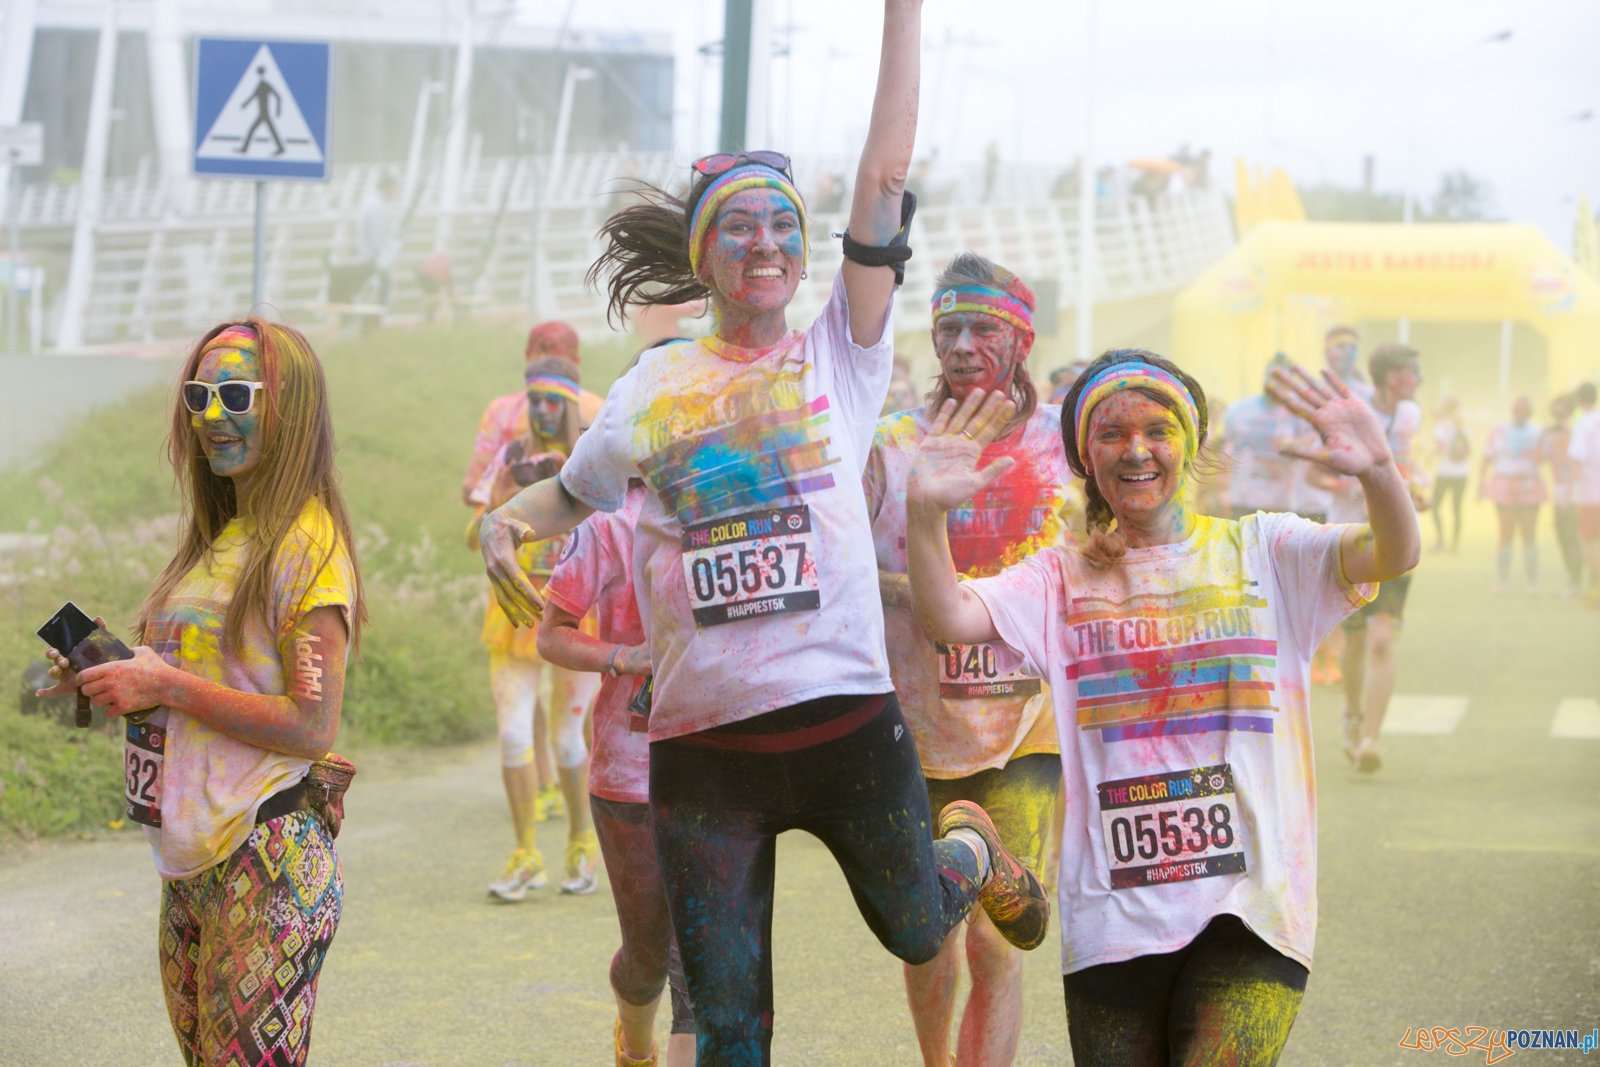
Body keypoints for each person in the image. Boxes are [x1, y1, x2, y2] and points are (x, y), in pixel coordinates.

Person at [478, 5, 1051, 1060]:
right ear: (704, 255)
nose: (767, 243)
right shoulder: (652, 383)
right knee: (730, 1032)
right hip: (703, 750)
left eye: (783, 225)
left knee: (918, 925)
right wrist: (503, 526)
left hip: (844, 717)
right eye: (739, 226)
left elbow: (883, 175)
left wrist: (903, 15)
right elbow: (572, 491)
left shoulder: (841, 350)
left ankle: (968, 847)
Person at [901, 350, 1419, 1067]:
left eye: (1158, 430)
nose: (1136, 449)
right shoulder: (1060, 578)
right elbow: (950, 616)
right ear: (1087, 459)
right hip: (1114, 919)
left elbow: (1391, 553)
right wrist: (925, 514)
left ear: (1191, 443)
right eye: (1112, 434)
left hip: (1254, 907)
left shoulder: (1264, 551)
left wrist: (1379, 471)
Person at [38, 320, 366, 1066]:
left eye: (236, 395)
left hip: (268, 850)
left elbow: (312, 725)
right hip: (190, 861)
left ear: (291, 410)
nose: (212, 414)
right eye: (198, 395)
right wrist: (106, 673)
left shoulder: (306, 546)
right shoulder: (217, 542)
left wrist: (166, 683)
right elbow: (188, 687)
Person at [864, 252, 1070, 1067]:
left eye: (982, 328)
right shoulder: (890, 446)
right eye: (947, 327)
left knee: (995, 940)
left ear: (1022, 341)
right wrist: (925, 593)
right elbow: (836, 566)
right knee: (927, 931)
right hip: (914, 731)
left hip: (1028, 729)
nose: (959, 345)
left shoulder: (1066, 444)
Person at [537, 479, 697, 1067]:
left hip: (720, 764)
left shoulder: (733, 499)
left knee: (698, 957)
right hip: (629, 771)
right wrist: (623, 657)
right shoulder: (609, 521)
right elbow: (551, 634)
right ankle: (634, 1048)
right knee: (648, 955)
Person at [468, 357, 603, 899]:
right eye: (535, 400)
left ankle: (581, 843)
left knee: (568, 738)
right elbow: (471, 537)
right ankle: (525, 854)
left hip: (574, 615)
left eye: (553, 400)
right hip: (513, 615)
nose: (543, 410)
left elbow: (617, 522)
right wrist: (498, 498)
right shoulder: (509, 456)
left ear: (570, 404)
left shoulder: (593, 454)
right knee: (513, 735)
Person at [1318, 342, 1424, 771]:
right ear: (1390, 376)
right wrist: (1357, 483)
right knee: (1356, 640)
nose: (1417, 380)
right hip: (1351, 539)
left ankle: (1370, 741)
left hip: (1395, 535)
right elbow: (1314, 470)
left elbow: (1413, 464)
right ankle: (1352, 715)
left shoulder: (1412, 415)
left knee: (1381, 639)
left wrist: (1417, 489)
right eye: (1411, 372)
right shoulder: (1354, 412)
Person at [462, 321, 603, 505]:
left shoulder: (600, 417)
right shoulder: (501, 416)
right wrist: (501, 502)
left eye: (557, 363)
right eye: (535, 401)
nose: (542, 410)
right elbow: (474, 488)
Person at [1217, 354, 1300, 521]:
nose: (1274, 383)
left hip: (1279, 506)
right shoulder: (1238, 410)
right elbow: (1220, 451)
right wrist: (1220, 491)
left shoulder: (1296, 415)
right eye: (1271, 376)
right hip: (1241, 502)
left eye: (1281, 379)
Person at [1479, 396, 1548, 595]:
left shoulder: (1537, 432)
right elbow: (1487, 457)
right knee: (1505, 535)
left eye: (1525, 410)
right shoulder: (1499, 430)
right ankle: (1501, 580)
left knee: (1529, 536)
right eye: (1518, 410)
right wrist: (1481, 483)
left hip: (1529, 485)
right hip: (1505, 485)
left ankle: (1532, 581)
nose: (1521, 414)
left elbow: (1543, 457)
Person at [1547, 393, 1584, 596]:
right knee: (1562, 537)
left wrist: (1569, 492)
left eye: (1562, 409)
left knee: (1573, 537)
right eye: (1556, 409)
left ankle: (1577, 582)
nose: (1558, 413)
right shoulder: (1549, 433)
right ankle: (1573, 579)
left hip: (1576, 490)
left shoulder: (1578, 430)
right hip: (1558, 489)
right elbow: (1540, 457)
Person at [1568, 382, 1600, 605]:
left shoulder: (1583, 424)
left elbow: (1577, 460)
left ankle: (1596, 588)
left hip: (1592, 493)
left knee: (1588, 539)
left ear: (1578, 400)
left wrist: (1568, 491)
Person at [1430, 395, 1470, 553]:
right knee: (1457, 509)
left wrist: (1430, 457)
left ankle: (1441, 541)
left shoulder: (1442, 424)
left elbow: (1440, 446)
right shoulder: (1463, 423)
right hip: (1462, 472)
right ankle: (1455, 544)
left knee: (1435, 505)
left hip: (1445, 471)